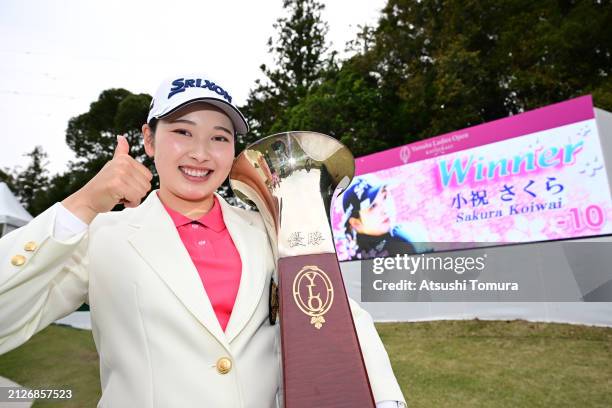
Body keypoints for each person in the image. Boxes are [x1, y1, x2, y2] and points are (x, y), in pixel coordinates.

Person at [0, 75, 406, 407]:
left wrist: (386, 401)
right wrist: (83, 204)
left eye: (219, 138)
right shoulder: (103, 234)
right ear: (148, 139)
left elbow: (340, 317)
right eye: (181, 132)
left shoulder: (268, 228)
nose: (201, 153)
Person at [342, 177, 422, 261]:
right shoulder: (402, 240)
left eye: (385, 197)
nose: (385, 208)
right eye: (373, 206)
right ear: (356, 224)